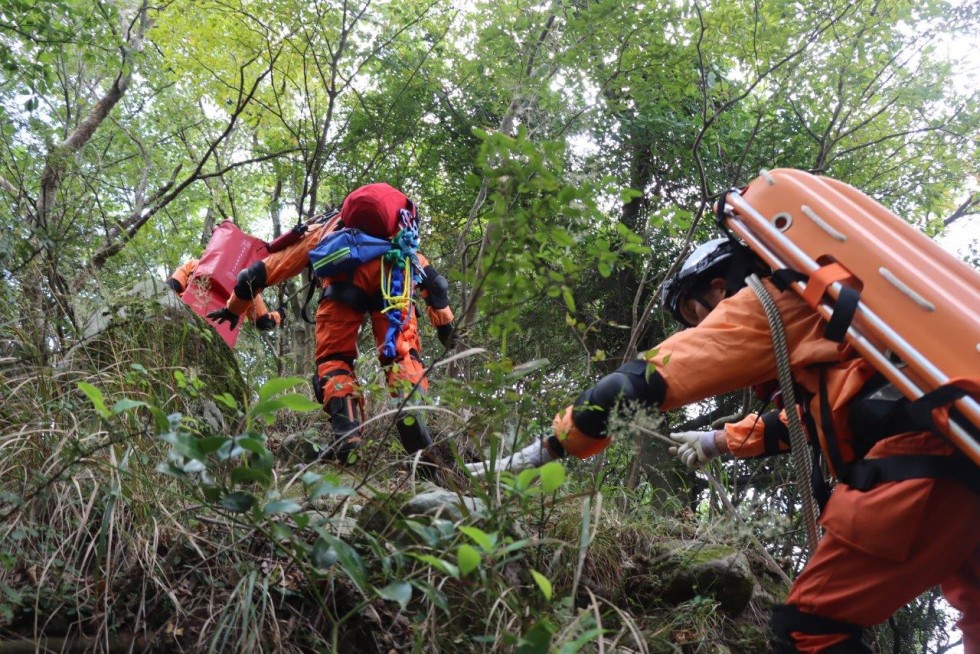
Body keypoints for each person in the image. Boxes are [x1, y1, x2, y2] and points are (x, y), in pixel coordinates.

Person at [468, 237, 980, 653]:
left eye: (694, 314)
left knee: (811, 630)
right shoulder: (836, 319)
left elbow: (643, 380)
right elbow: (808, 419)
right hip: (961, 457)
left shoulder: (768, 300)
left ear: (717, 287)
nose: (699, 326)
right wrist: (718, 440)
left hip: (927, 472)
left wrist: (547, 450)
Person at [208, 183, 455, 465]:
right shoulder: (399, 234)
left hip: (340, 290)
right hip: (393, 282)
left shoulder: (326, 231)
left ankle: (348, 441)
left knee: (334, 361)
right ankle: (412, 421)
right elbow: (434, 284)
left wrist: (233, 311)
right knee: (400, 354)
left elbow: (252, 276)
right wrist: (445, 327)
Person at [167, 258, 286, 332]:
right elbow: (264, 323)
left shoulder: (195, 265)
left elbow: (171, 287)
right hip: (216, 338)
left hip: (180, 319)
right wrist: (280, 314)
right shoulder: (248, 286)